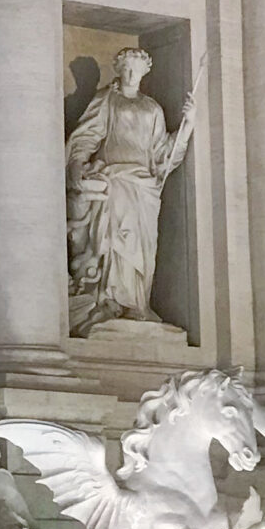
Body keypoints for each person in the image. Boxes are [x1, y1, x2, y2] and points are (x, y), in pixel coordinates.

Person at [64, 48, 193, 334]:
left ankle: (136, 303)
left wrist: (188, 125)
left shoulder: (152, 109)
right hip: (114, 180)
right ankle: (108, 300)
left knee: (141, 247)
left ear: (145, 72)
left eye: (137, 69)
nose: (131, 74)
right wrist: (76, 164)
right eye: (127, 68)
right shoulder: (106, 100)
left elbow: (163, 154)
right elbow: (86, 136)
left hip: (143, 187)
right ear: (119, 70)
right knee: (112, 242)